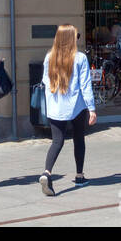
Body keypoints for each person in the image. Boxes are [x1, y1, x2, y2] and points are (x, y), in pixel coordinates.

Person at [40, 24, 97, 195]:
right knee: (79, 138)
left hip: (55, 106)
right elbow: (85, 85)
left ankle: (47, 173)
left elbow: (45, 81)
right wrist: (92, 108)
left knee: (57, 141)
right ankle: (79, 176)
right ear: (71, 39)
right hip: (76, 106)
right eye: (76, 36)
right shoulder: (80, 58)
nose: (78, 39)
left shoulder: (49, 57)